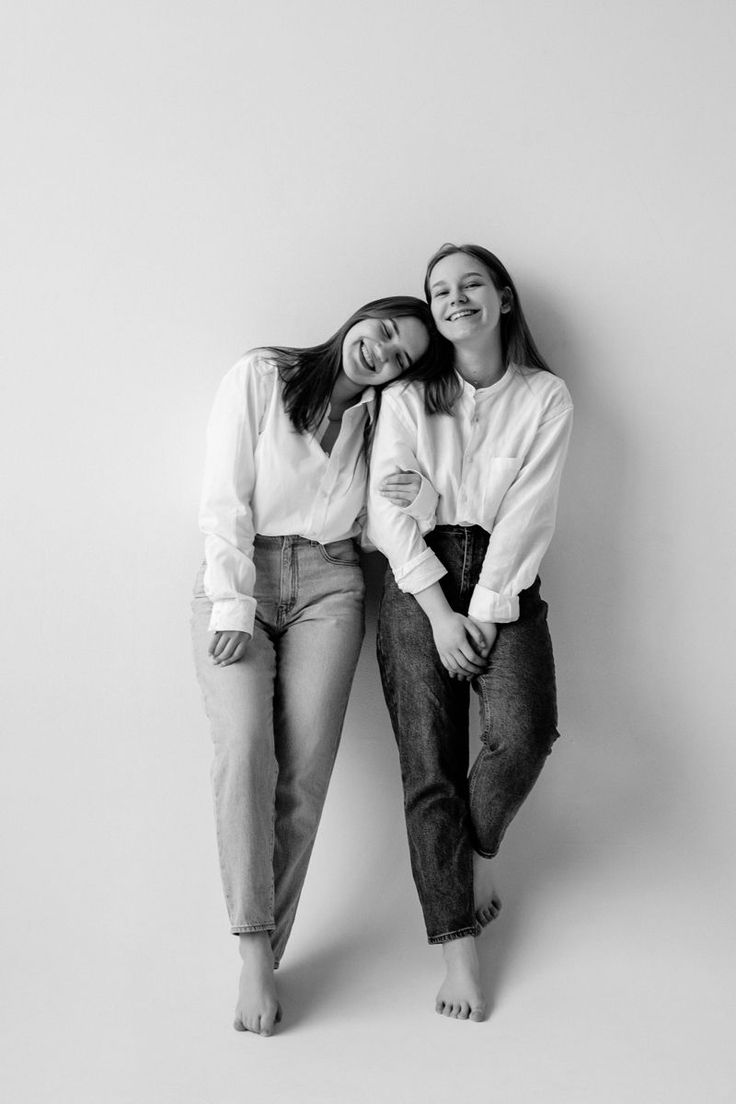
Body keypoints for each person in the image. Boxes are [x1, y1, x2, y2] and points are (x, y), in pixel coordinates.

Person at [191, 296, 441, 1036]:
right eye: (386, 331)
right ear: (361, 317)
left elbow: (372, 526)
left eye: (401, 357)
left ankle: (259, 956)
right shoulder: (261, 376)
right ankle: (254, 939)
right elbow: (222, 500)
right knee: (245, 749)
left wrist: (417, 494)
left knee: (306, 768)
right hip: (243, 577)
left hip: (333, 585)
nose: (384, 352)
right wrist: (234, 604)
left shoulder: (378, 421)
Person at [369, 243, 573, 1022]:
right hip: (417, 576)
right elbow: (388, 513)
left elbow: (529, 514)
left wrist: (482, 612)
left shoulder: (546, 397)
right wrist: (439, 612)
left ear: (504, 298)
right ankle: (458, 952)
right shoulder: (410, 396)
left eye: (470, 285)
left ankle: (478, 853)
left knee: (525, 733)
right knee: (430, 764)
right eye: (440, 291)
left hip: (503, 572)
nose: (454, 299)